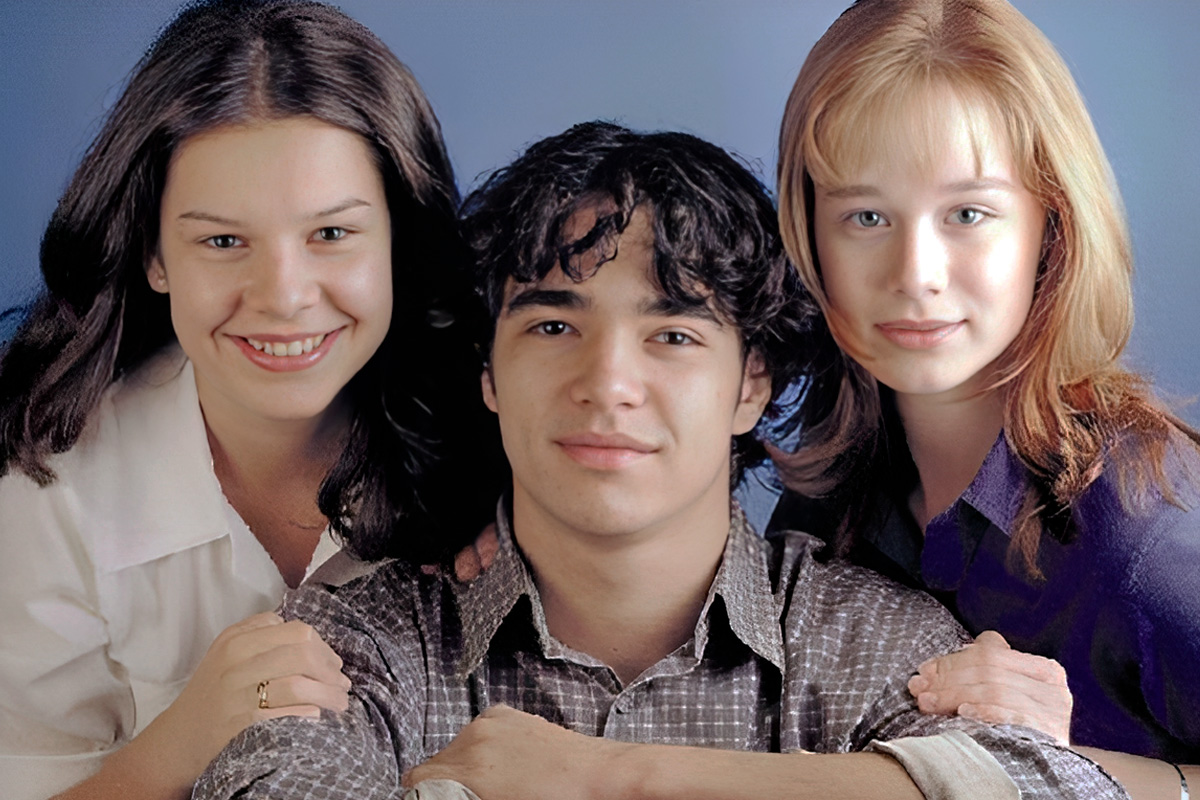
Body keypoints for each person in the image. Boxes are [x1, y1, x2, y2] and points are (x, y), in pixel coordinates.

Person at [195, 121, 1126, 800]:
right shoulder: (361, 642)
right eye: (555, 325)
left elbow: (1049, 790)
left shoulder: (874, 645)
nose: (608, 384)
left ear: (751, 384)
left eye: (673, 335)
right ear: (487, 370)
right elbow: (269, 780)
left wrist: (618, 781)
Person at [0, 2, 501, 799]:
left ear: (399, 238)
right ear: (153, 255)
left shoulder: (500, 440)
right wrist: (184, 738)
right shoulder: (49, 497)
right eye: (223, 241)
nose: (283, 297)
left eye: (331, 234)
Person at [765, 0, 1200, 796]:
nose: (915, 273)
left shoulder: (1147, 530)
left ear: (1052, 229)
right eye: (865, 216)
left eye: (968, 213)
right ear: (810, 232)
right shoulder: (826, 497)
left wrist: (1065, 763)